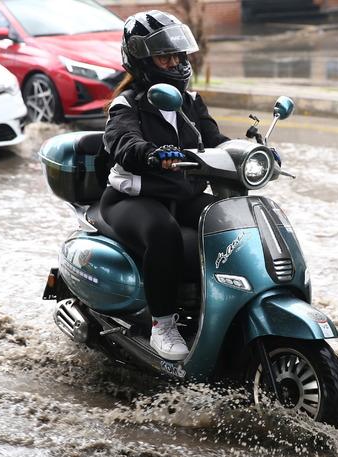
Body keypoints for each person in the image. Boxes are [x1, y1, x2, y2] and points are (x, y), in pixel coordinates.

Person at [101, 10, 229, 361]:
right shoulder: (125, 105)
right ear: (142, 61)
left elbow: (216, 140)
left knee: (230, 219)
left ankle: (216, 305)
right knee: (163, 232)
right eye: (165, 56)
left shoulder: (190, 101)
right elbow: (123, 143)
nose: (175, 63)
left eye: (178, 55)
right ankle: (163, 324)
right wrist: (153, 155)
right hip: (132, 198)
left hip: (180, 194)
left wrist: (252, 152)